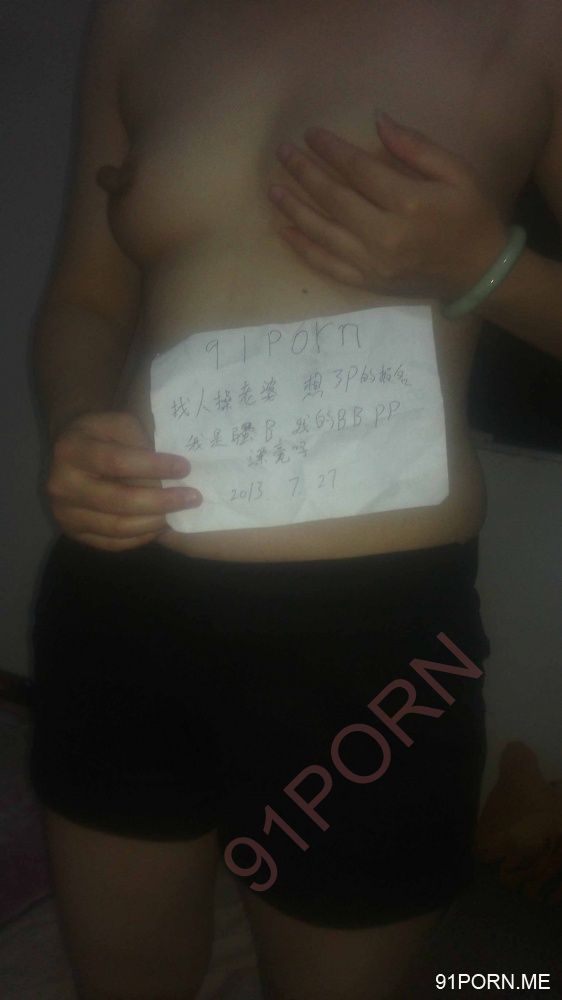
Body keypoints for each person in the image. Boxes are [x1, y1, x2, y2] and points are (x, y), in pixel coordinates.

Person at [28, 1, 562, 998]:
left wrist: (488, 269)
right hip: (120, 599)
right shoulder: (138, 15)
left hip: (369, 644)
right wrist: (74, 420)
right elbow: (87, 296)